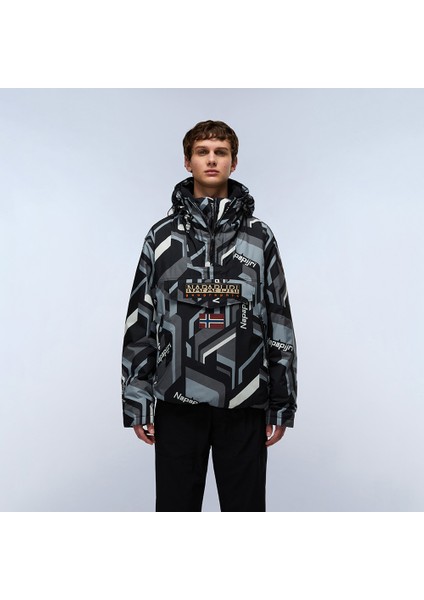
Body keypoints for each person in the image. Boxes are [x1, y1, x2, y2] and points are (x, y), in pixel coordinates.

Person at [121, 120, 297, 512]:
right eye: (202, 152)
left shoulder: (259, 237)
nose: (212, 160)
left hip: (245, 400)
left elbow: (278, 318)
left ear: (234, 162)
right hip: (176, 400)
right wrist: (137, 399)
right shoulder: (161, 237)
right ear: (188, 162)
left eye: (221, 152)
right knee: (176, 512)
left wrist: (281, 403)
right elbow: (141, 318)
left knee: (245, 512)